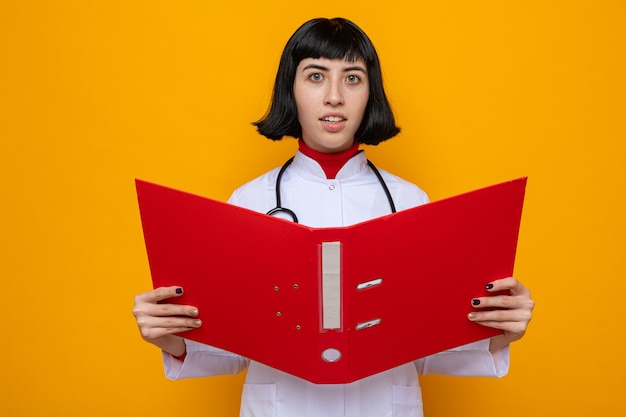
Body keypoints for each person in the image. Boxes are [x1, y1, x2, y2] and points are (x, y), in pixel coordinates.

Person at [132, 17, 534, 417]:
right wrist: (170, 336)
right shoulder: (249, 202)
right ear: (291, 88)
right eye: (316, 76)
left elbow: (428, 349)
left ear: (369, 92)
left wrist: (499, 331)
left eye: (353, 78)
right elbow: (232, 349)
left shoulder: (410, 201)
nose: (335, 97)